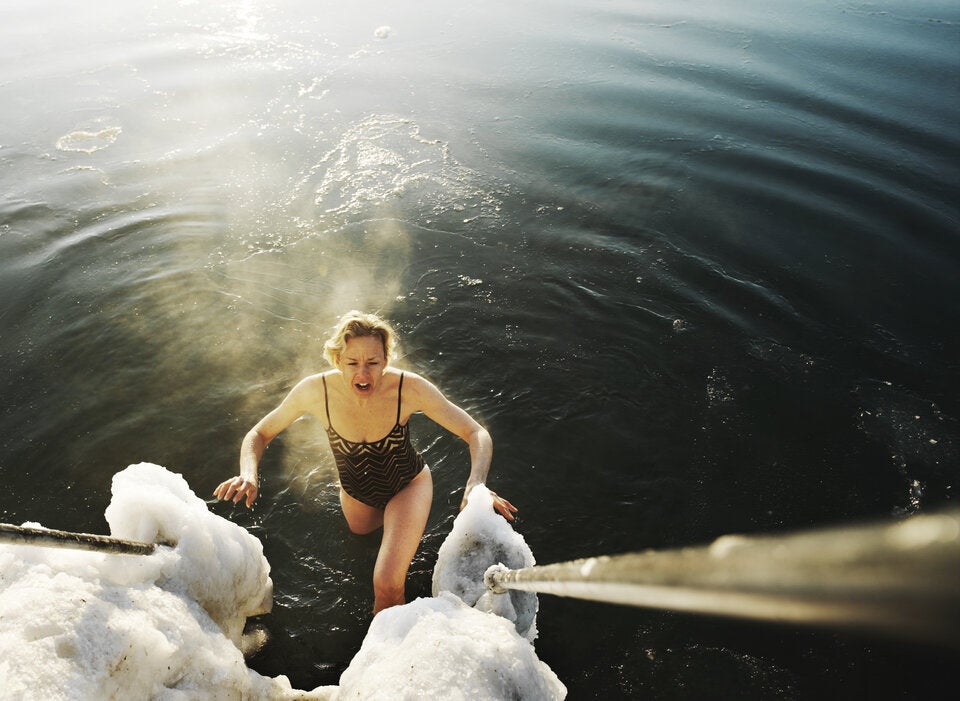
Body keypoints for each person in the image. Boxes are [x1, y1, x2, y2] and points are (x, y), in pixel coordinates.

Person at [214, 310, 517, 615]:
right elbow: (260, 433)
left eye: (373, 363)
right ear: (337, 361)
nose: (364, 374)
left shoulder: (406, 389)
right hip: (355, 494)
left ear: (386, 359)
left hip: (407, 486)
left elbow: (476, 432)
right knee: (361, 546)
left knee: (386, 583)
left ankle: (388, 654)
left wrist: (476, 482)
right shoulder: (315, 392)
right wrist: (248, 474)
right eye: (352, 363)